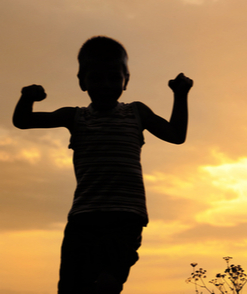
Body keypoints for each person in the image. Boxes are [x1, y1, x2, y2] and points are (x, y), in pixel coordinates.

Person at [12, 36, 193, 294]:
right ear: (81, 82)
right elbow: (23, 121)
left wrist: (181, 94)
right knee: (72, 287)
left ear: (126, 81)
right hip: (84, 217)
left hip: (126, 217)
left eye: (113, 78)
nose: (106, 85)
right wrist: (27, 97)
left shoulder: (136, 113)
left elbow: (176, 135)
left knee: (108, 284)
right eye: (96, 78)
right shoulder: (75, 117)